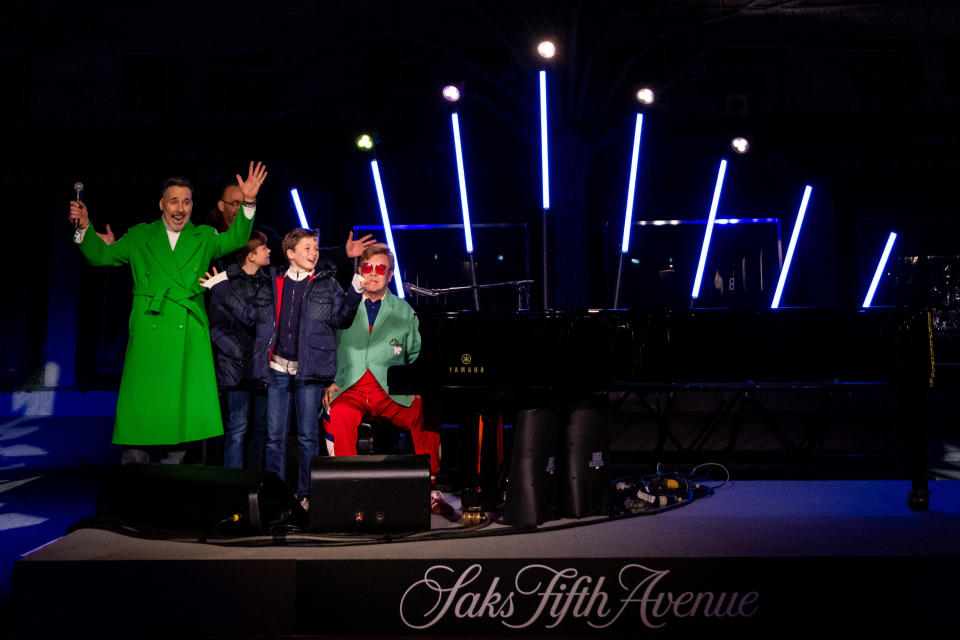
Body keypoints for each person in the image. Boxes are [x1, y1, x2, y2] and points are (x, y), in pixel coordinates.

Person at [68, 161, 267, 464]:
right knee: (143, 419)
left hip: (188, 335)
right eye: (174, 200)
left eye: (186, 201)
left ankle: (176, 487)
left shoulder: (203, 237)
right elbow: (101, 256)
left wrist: (249, 202)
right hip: (150, 334)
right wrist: (84, 227)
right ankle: (136, 490)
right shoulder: (139, 236)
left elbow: (237, 239)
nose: (181, 207)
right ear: (162, 204)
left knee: (184, 420)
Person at [207, 228, 367, 507]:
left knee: (307, 437)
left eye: (315, 248)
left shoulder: (326, 282)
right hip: (277, 370)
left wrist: (354, 293)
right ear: (290, 254)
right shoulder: (273, 282)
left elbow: (342, 319)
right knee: (274, 438)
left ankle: (305, 494)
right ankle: (276, 495)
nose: (313, 253)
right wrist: (221, 288)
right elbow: (249, 314)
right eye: (307, 248)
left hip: (308, 370)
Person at [322, 243, 455, 518]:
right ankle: (348, 491)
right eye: (367, 268)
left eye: (380, 269)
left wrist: (418, 386)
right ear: (360, 271)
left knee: (425, 409)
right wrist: (327, 380)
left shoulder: (404, 310)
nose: (372, 274)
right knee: (338, 413)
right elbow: (323, 345)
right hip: (351, 386)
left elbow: (417, 353)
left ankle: (431, 489)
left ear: (390, 274)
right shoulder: (344, 303)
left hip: (391, 391)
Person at [207, 230, 272, 470]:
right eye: (264, 248)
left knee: (261, 430)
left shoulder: (268, 282)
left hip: (262, 367)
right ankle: (234, 486)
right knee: (237, 429)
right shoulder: (225, 282)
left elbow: (262, 320)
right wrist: (236, 353)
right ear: (251, 255)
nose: (269, 251)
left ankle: (256, 484)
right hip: (237, 367)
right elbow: (216, 327)